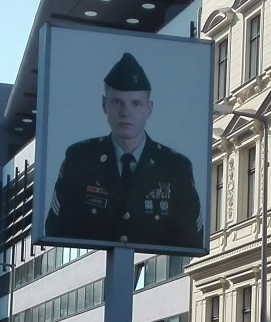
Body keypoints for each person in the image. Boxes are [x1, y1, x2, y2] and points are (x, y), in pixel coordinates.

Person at [44, 52, 203, 250]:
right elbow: (56, 231)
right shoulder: (80, 159)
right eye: (117, 102)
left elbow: (191, 240)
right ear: (104, 105)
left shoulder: (176, 167)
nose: (125, 112)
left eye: (135, 103)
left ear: (149, 109)